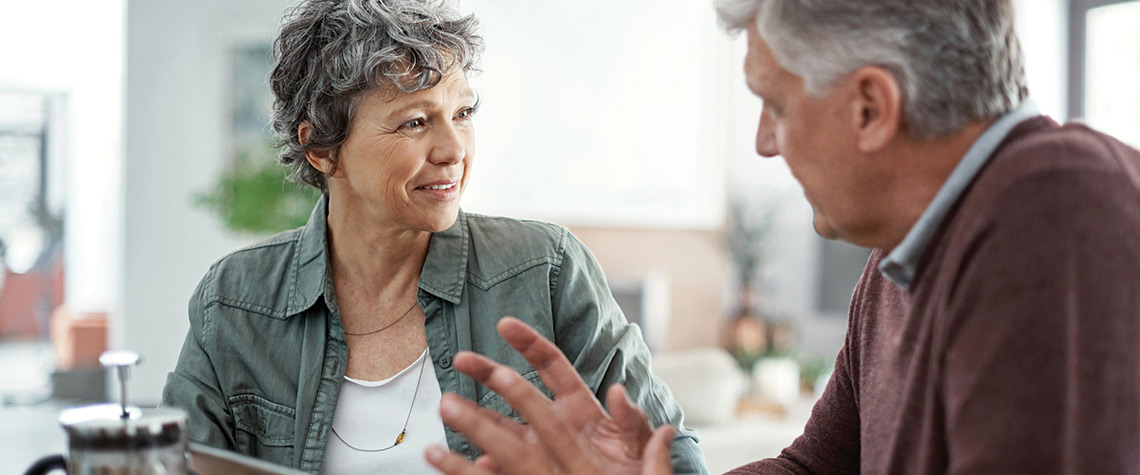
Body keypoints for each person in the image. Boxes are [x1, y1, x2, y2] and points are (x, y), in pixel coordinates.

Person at [425, 0, 1140, 473]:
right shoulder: (903, 254)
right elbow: (814, 468)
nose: (764, 143)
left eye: (773, 104)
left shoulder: (1055, 207)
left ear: (869, 108)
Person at [159, 0, 707, 473]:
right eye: (415, 122)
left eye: (463, 113)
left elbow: (670, 459)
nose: (454, 150)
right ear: (321, 147)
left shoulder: (546, 271)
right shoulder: (234, 302)